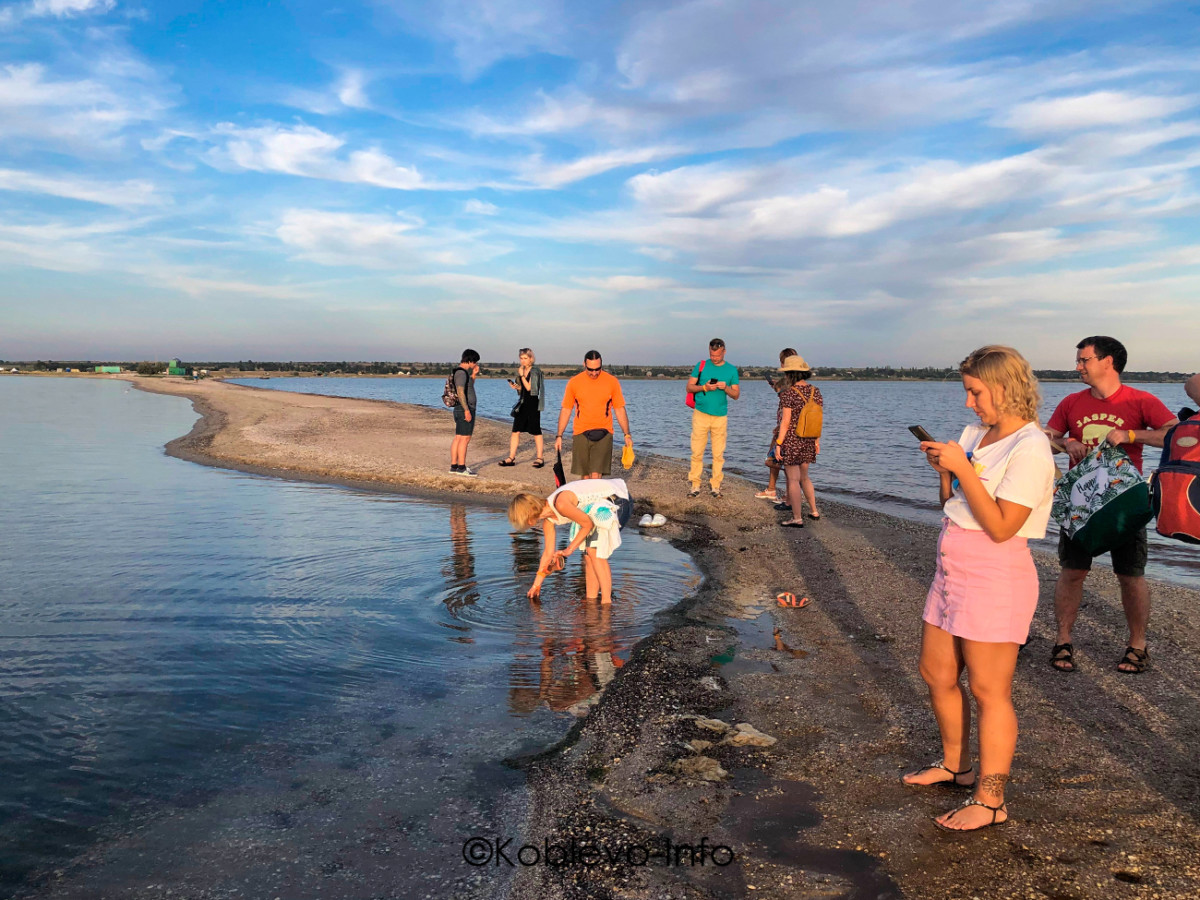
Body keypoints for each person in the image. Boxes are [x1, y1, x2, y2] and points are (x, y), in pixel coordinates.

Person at [903, 345, 1056, 832]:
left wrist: (965, 469)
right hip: (952, 570)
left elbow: (1003, 526)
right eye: (967, 392)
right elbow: (955, 505)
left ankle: (991, 800)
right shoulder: (975, 434)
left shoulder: (1031, 447)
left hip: (996, 576)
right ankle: (956, 767)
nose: (969, 403)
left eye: (976, 392)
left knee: (990, 690)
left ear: (1006, 388)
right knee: (936, 672)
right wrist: (947, 475)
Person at [1045, 336, 1178, 675]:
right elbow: (1045, 439)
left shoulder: (1140, 399)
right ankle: (1063, 640)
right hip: (1080, 503)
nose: (1078, 366)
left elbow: (1174, 435)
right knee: (1073, 572)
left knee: (1130, 575)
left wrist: (1131, 435)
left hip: (1123, 502)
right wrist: (1066, 443)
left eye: (1084, 360)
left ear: (1108, 362)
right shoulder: (1071, 402)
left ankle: (1138, 645)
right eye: (1078, 360)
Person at [508, 478, 632, 604]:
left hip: (618, 499)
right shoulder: (548, 521)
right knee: (588, 554)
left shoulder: (560, 504)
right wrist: (536, 585)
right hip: (596, 507)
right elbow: (547, 554)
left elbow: (587, 524)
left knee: (593, 551)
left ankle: (606, 603)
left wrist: (569, 549)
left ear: (528, 516)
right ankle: (591, 600)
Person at [554, 351, 633, 480]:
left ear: (601, 365)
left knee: (596, 476)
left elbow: (619, 409)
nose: (594, 373)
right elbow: (566, 410)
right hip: (581, 432)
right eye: (590, 369)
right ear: (584, 364)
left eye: (597, 369)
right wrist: (559, 435)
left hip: (604, 433)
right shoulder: (574, 383)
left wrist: (627, 434)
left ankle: (596, 493)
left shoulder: (612, 382)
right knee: (585, 477)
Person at [686, 338, 740, 498]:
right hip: (700, 414)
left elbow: (736, 395)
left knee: (718, 454)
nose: (714, 358)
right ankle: (695, 485)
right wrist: (704, 387)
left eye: (717, 355)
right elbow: (689, 387)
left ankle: (715, 486)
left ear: (724, 352)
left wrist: (726, 388)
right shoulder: (701, 365)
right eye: (712, 355)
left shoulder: (731, 370)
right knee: (697, 452)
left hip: (720, 417)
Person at [773, 355, 823, 526]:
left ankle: (797, 518)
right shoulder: (816, 391)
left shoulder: (789, 393)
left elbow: (785, 422)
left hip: (793, 440)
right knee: (805, 477)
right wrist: (817, 441)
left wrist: (779, 443)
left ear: (789, 373)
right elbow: (817, 419)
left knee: (793, 479)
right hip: (809, 438)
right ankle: (814, 511)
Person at [757, 348, 798, 501]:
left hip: (785, 426)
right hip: (792, 426)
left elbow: (783, 392)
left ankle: (785, 493)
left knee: (778, 459)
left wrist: (776, 386)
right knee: (782, 459)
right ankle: (774, 489)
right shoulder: (797, 381)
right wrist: (775, 385)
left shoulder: (788, 381)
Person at [500, 348, 546, 468]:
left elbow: (531, 388)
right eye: (521, 358)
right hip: (523, 403)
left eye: (525, 358)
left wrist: (521, 375)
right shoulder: (522, 370)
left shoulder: (535, 371)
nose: (523, 360)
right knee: (515, 430)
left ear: (531, 358)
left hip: (533, 404)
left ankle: (540, 458)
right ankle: (511, 458)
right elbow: (524, 389)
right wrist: (516, 387)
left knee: (536, 430)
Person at [449, 349, 480, 477]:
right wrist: (467, 410)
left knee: (459, 437)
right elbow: (460, 392)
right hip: (464, 409)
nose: (475, 364)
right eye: (475, 362)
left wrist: (474, 375)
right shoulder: (461, 373)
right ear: (470, 360)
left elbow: (468, 387)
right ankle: (461, 467)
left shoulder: (462, 373)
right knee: (464, 438)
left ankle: (454, 466)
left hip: (461, 408)